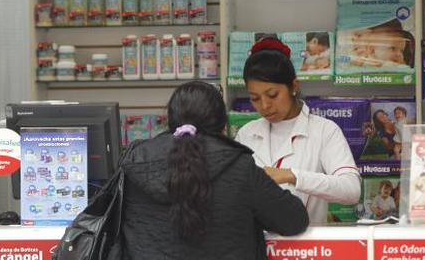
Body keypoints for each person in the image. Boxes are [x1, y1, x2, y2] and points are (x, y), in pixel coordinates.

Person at [121, 81, 308, 260]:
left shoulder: (134, 165)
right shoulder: (239, 168)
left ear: (171, 122)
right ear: (223, 126)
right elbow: (294, 219)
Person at [235, 37, 361, 224]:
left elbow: (351, 190)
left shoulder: (324, 130)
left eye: (272, 95)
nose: (265, 105)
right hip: (257, 248)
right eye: (255, 98)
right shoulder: (246, 134)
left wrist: (293, 176)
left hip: (307, 249)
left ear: (294, 86)